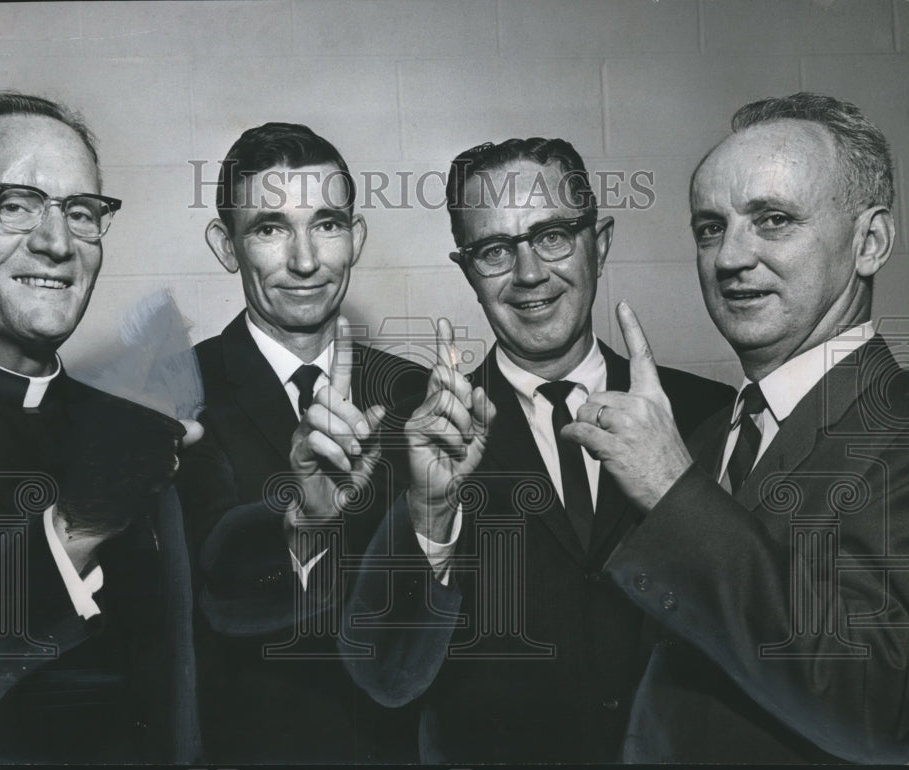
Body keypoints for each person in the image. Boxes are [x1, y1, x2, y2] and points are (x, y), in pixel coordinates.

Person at [339, 137, 735, 763]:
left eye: (552, 235)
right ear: (467, 269)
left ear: (598, 243)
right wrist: (430, 519)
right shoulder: (409, 444)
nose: (528, 274)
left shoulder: (710, 415)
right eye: (495, 250)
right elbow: (384, 677)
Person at [565, 93, 909, 762]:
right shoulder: (700, 438)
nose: (729, 258)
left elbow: (883, 708)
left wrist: (675, 491)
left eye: (773, 220)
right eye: (709, 227)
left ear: (869, 242)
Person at [0, 91, 199, 763]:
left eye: (81, 212)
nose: (56, 242)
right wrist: (73, 534)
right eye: (14, 204)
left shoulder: (131, 431)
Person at [175, 122, 428, 762]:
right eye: (269, 227)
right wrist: (308, 520)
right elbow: (215, 586)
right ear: (226, 245)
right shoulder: (175, 398)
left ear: (356, 237)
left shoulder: (415, 395)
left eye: (326, 224)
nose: (306, 260)